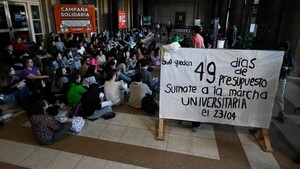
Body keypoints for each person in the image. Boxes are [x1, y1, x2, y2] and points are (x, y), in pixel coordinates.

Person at [190, 25, 205, 131]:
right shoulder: (201, 37)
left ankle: (195, 121)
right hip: (201, 60)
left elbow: (192, 51)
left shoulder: (194, 38)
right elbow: (202, 47)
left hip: (194, 62)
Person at [275, 41, 295, 120]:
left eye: (283, 48)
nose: (282, 49)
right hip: (274, 76)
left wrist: (287, 68)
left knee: (279, 95)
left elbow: (292, 67)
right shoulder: (276, 55)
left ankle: (281, 111)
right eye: (281, 47)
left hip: (282, 77)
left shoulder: (289, 56)